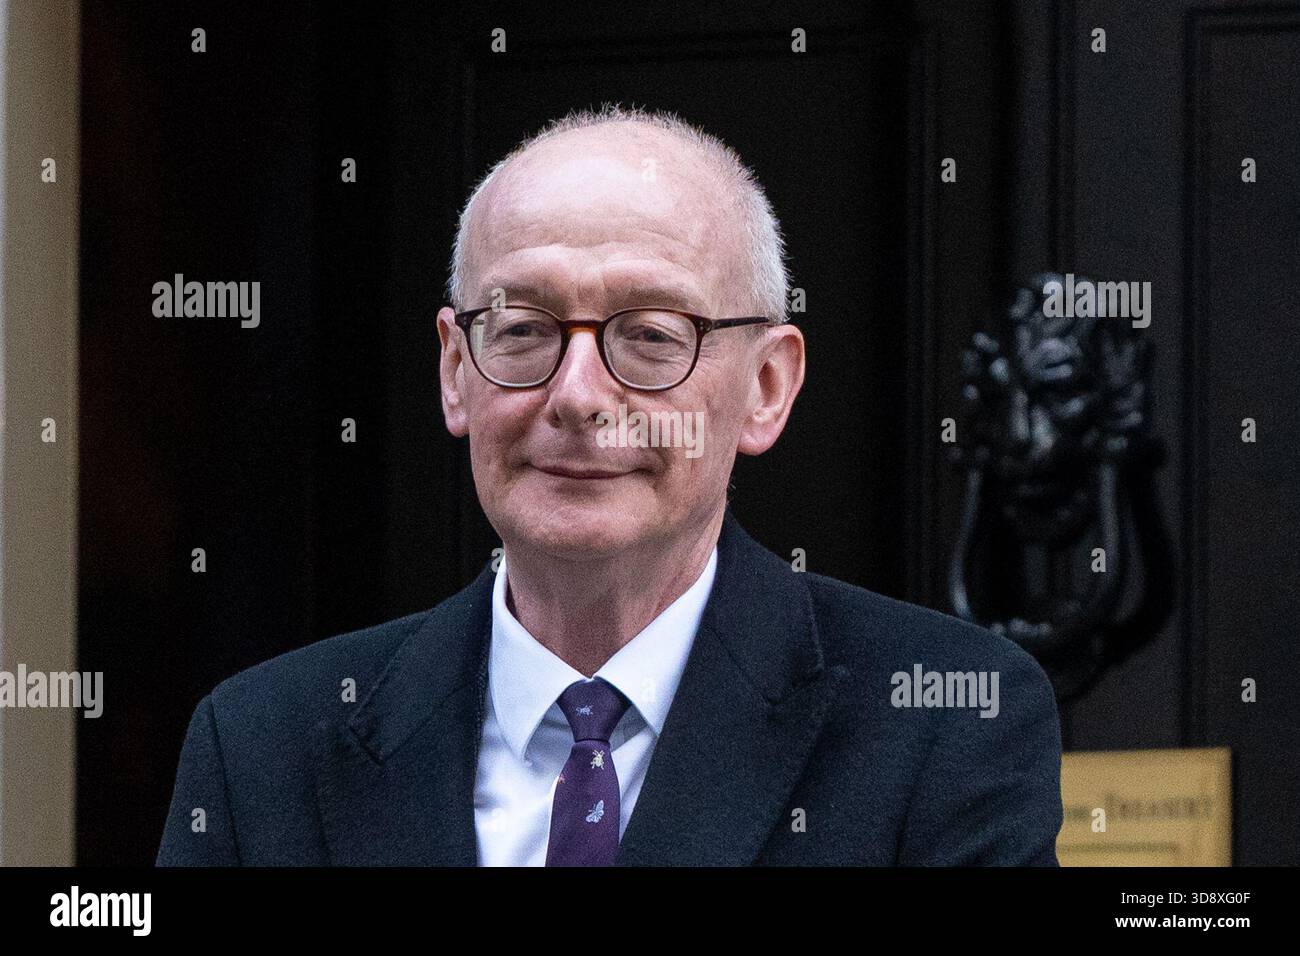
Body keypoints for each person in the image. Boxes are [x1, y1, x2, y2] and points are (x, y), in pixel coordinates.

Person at [157, 104, 1062, 866]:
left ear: (767, 388)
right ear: (453, 371)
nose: (579, 396)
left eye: (653, 336)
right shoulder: (263, 749)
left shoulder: (945, 725)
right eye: (521, 331)